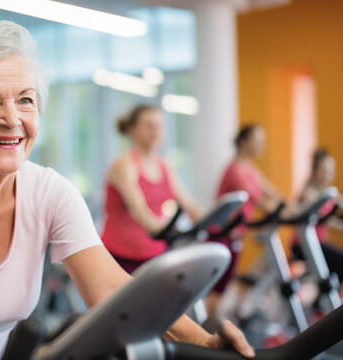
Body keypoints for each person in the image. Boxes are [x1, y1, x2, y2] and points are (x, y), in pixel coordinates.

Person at [0, 21, 254, 359]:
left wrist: (205, 343)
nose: (12, 119)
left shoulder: (50, 191)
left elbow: (113, 291)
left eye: (25, 100)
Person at [100, 104, 204, 274]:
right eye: (149, 126)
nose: (156, 131)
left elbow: (188, 203)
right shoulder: (124, 164)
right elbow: (138, 209)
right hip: (120, 256)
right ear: (132, 130)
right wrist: (164, 230)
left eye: (160, 126)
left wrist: (213, 223)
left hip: (155, 253)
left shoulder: (164, 165)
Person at [207, 124, 284, 315]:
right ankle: (208, 328)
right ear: (243, 142)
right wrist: (282, 212)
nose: (261, 145)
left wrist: (294, 207)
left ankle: (218, 321)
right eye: (256, 141)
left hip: (236, 233)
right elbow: (258, 199)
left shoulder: (251, 169)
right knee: (218, 286)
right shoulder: (235, 169)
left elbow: (273, 193)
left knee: (225, 284)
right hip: (222, 233)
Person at [292, 148, 343, 298]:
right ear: (314, 170)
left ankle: (323, 305)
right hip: (302, 246)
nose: (329, 175)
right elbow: (326, 219)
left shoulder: (329, 192)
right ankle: (326, 308)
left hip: (318, 244)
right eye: (325, 170)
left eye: (331, 171)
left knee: (334, 272)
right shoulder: (309, 193)